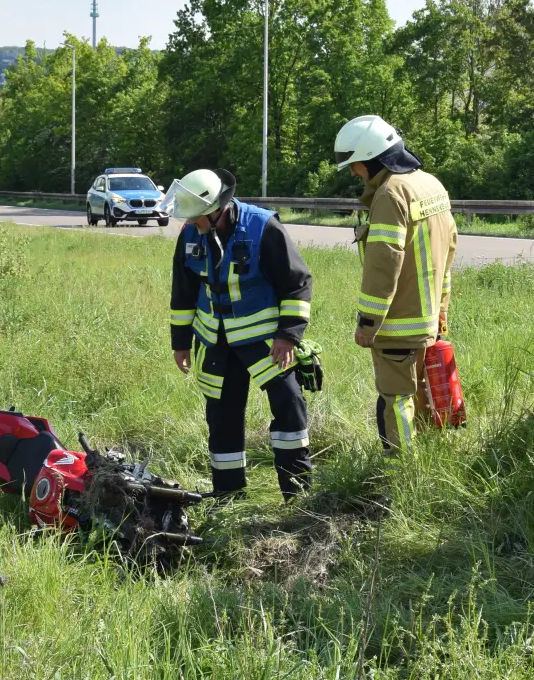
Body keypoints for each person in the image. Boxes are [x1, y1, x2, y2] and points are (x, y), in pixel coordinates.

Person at [168, 168, 314, 501]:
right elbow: (183, 292)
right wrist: (180, 344)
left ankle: (298, 495)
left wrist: (288, 336)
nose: (191, 225)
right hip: (216, 344)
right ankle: (228, 495)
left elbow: (298, 283)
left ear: (217, 210)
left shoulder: (263, 227)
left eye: (198, 218)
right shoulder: (190, 233)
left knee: (289, 405)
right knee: (222, 417)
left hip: (265, 343)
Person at [334, 115, 458, 455]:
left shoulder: (391, 194)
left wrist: (368, 323)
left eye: (354, 165)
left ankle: (401, 471)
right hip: (427, 319)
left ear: (371, 157)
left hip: (397, 325)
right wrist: (442, 308)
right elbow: (448, 250)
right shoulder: (430, 184)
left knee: (396, 401)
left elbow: (383, 263)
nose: (353, 173)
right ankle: (426, 458)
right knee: (420, 393)